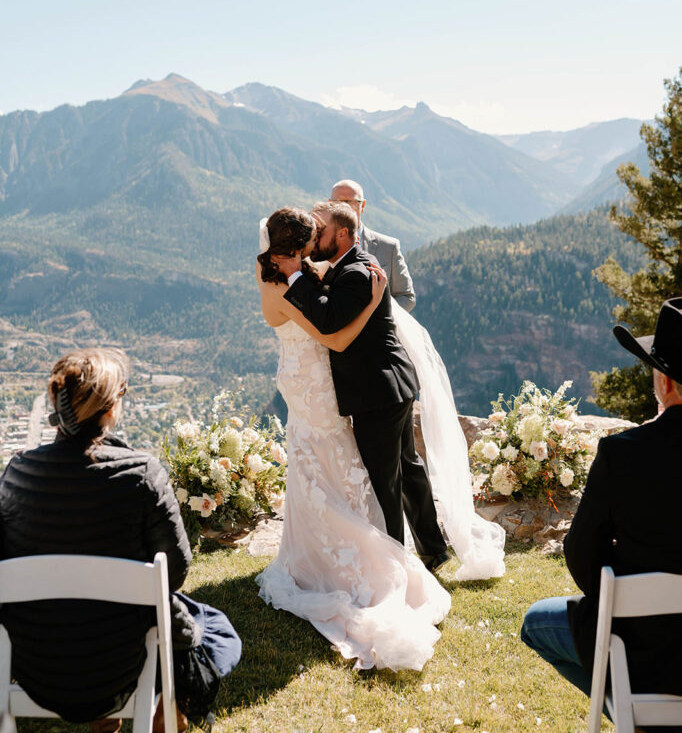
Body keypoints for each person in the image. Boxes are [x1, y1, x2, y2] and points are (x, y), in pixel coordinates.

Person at [0, 348, 241, 732]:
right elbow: (174, 573)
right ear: (111, 409)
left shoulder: (15, 475)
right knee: (212, 630)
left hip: (38, 668)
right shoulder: (142, 474)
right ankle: (164, 708)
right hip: (119, 666)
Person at [256, 206, 451, 672]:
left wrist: (330, 278)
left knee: (357, 474)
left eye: (317, 241)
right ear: (290, 250)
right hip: (318, 390)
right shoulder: (286, 286)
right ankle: (361, 559)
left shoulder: (296, 273)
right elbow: (335, 339)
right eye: (306, 247)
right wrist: (373, 301)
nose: (311, 254)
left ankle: (387, 558)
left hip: (336, 392)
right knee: (349, 474)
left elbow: (324, 288)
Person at [521, 297, 682, 713]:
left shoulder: (623, 454)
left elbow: (581, 557)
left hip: (642, 646)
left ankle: (641, 717)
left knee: (535, 624)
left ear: (665, 384)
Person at [330, 179, 416, 312]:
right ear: (329, 205)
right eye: (339, 202)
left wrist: (380, 320)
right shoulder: (318, 247)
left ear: (363, 205)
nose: (345, 207)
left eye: (351, 202)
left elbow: (406, 296)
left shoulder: (388, 247)